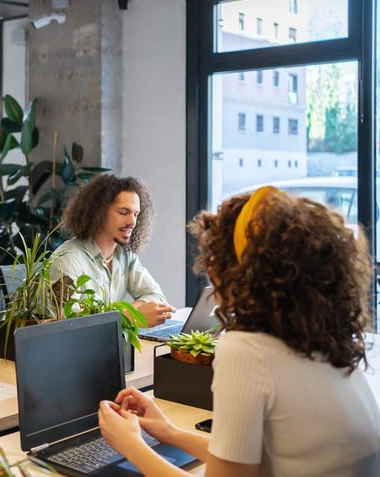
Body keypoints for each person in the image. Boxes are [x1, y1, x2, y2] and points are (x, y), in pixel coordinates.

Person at [98, 186, 380, 477]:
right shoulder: (324, 340)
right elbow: (249, 462)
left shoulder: (248, 350)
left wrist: (131, 446)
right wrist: (169, 432)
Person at [50, 173, 175, 327]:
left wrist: (124, 314)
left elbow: (158, 298)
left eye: (136, 214)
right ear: (98, 212)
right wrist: (126, 317)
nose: (132, 222)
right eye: (123, 212)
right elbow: (65, 326)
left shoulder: (125, 256)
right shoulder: (67, 261)